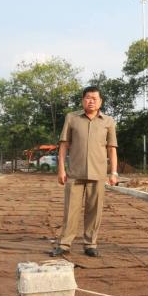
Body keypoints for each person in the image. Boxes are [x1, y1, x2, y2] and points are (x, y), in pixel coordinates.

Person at [50, 86, 118, 258]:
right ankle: (64, 244)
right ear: (82, 100)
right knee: (70, 211)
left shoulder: (108, 121)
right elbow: (64, 145)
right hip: (75, 173)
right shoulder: (72, 118)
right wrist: (61, 169)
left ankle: (90, 244)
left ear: (100, 102)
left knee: (94, 211)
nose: (91, 101)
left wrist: (114, 172)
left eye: (95, 98)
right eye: (88, 98)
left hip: (98, 173)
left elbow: (112, 149)